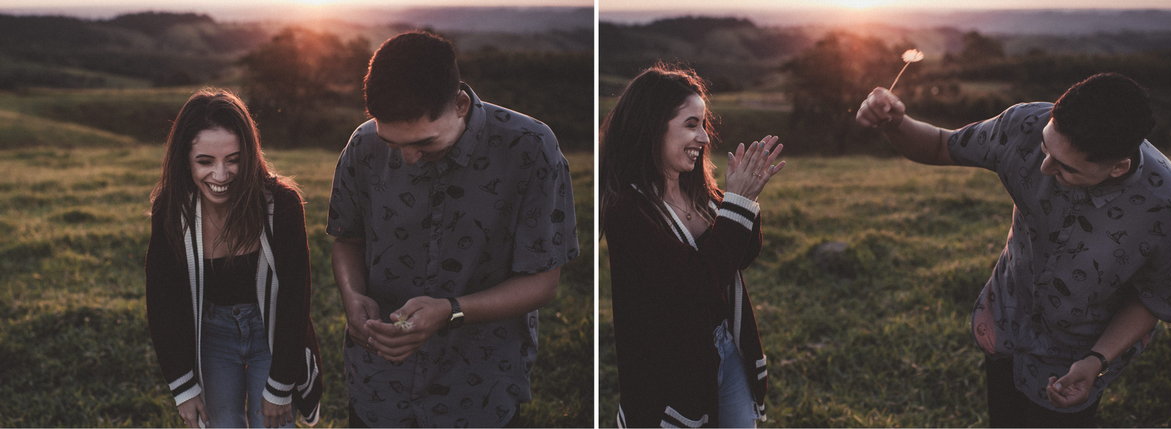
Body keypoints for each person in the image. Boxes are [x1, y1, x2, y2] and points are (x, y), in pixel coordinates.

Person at [855, 73, 1171, 426]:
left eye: (1065, 167)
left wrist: (1096, 360)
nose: (1044, 166)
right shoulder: (1026, 124)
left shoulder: (1169, 209)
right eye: (1046, 147)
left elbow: (1153, 300)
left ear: (1118, 168)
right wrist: (895, 123)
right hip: (1006, 321)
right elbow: (942, 144)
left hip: (1075, 356)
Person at [326, 31, 579, 427]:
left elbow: (542, 281)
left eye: (424, 143)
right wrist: (352, 296)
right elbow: (348, 238)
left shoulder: (531, 149)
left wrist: (450, 312)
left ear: (461, 104)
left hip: (479, 387)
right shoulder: (362, 145)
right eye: (393, 144)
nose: (408, 159)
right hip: (380, 384)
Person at [600, 64, 785, 428]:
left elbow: (742, 255)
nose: (703, 137)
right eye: (690, 124)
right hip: (672, 369)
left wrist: (746, 199)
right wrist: (738, 204)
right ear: (652, 127)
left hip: (726, 348)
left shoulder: (697, 189)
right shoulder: (627, 211)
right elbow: (696, 286)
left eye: (703, 124)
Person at [146, 89, 324, 428]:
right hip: (212, 335)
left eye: (234, 159)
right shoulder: (171, 209)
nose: (221, 175)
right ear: (185, 158)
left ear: (250, 153)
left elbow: (294, 298)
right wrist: (183, 388)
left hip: (269, 332)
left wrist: (280, 385)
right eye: (205, 161)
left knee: (273, 423)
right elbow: (161, 300)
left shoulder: (281, 205)